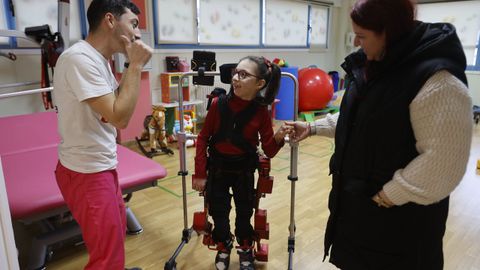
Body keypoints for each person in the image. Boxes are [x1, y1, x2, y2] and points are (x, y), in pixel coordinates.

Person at [287, 0, 473, 269]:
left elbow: (444, 162)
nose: (357, 44)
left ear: (390, 31)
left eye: (362, 37)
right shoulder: (376, 64)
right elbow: (363, 119)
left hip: (400, 227)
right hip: (360, 216)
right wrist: (314, 127)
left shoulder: (438, 81)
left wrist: (390, 194)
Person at [53, 0, 152, 269]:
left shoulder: (99, 60)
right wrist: (135, 66)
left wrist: (132, 67)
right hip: (86, 172)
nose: (138, 33)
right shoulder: (79, 59)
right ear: (110, 20)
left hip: (101, 165)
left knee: (116, 237)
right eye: (133, 24)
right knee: (106, 259)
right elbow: (120, 118)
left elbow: (111, 112)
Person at [192, 56, 290, 270]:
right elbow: (202, 138)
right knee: (219, 212)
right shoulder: (218, 105)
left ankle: (245, 248)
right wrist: (200, 173)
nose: (235, 78)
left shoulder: (261, 112)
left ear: (259, 84)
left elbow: (270, 150)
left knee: (245, 213)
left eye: (243, 75)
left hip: (243, 171)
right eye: (236, 72)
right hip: (217, 170)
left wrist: (281, 135)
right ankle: (224, 245)